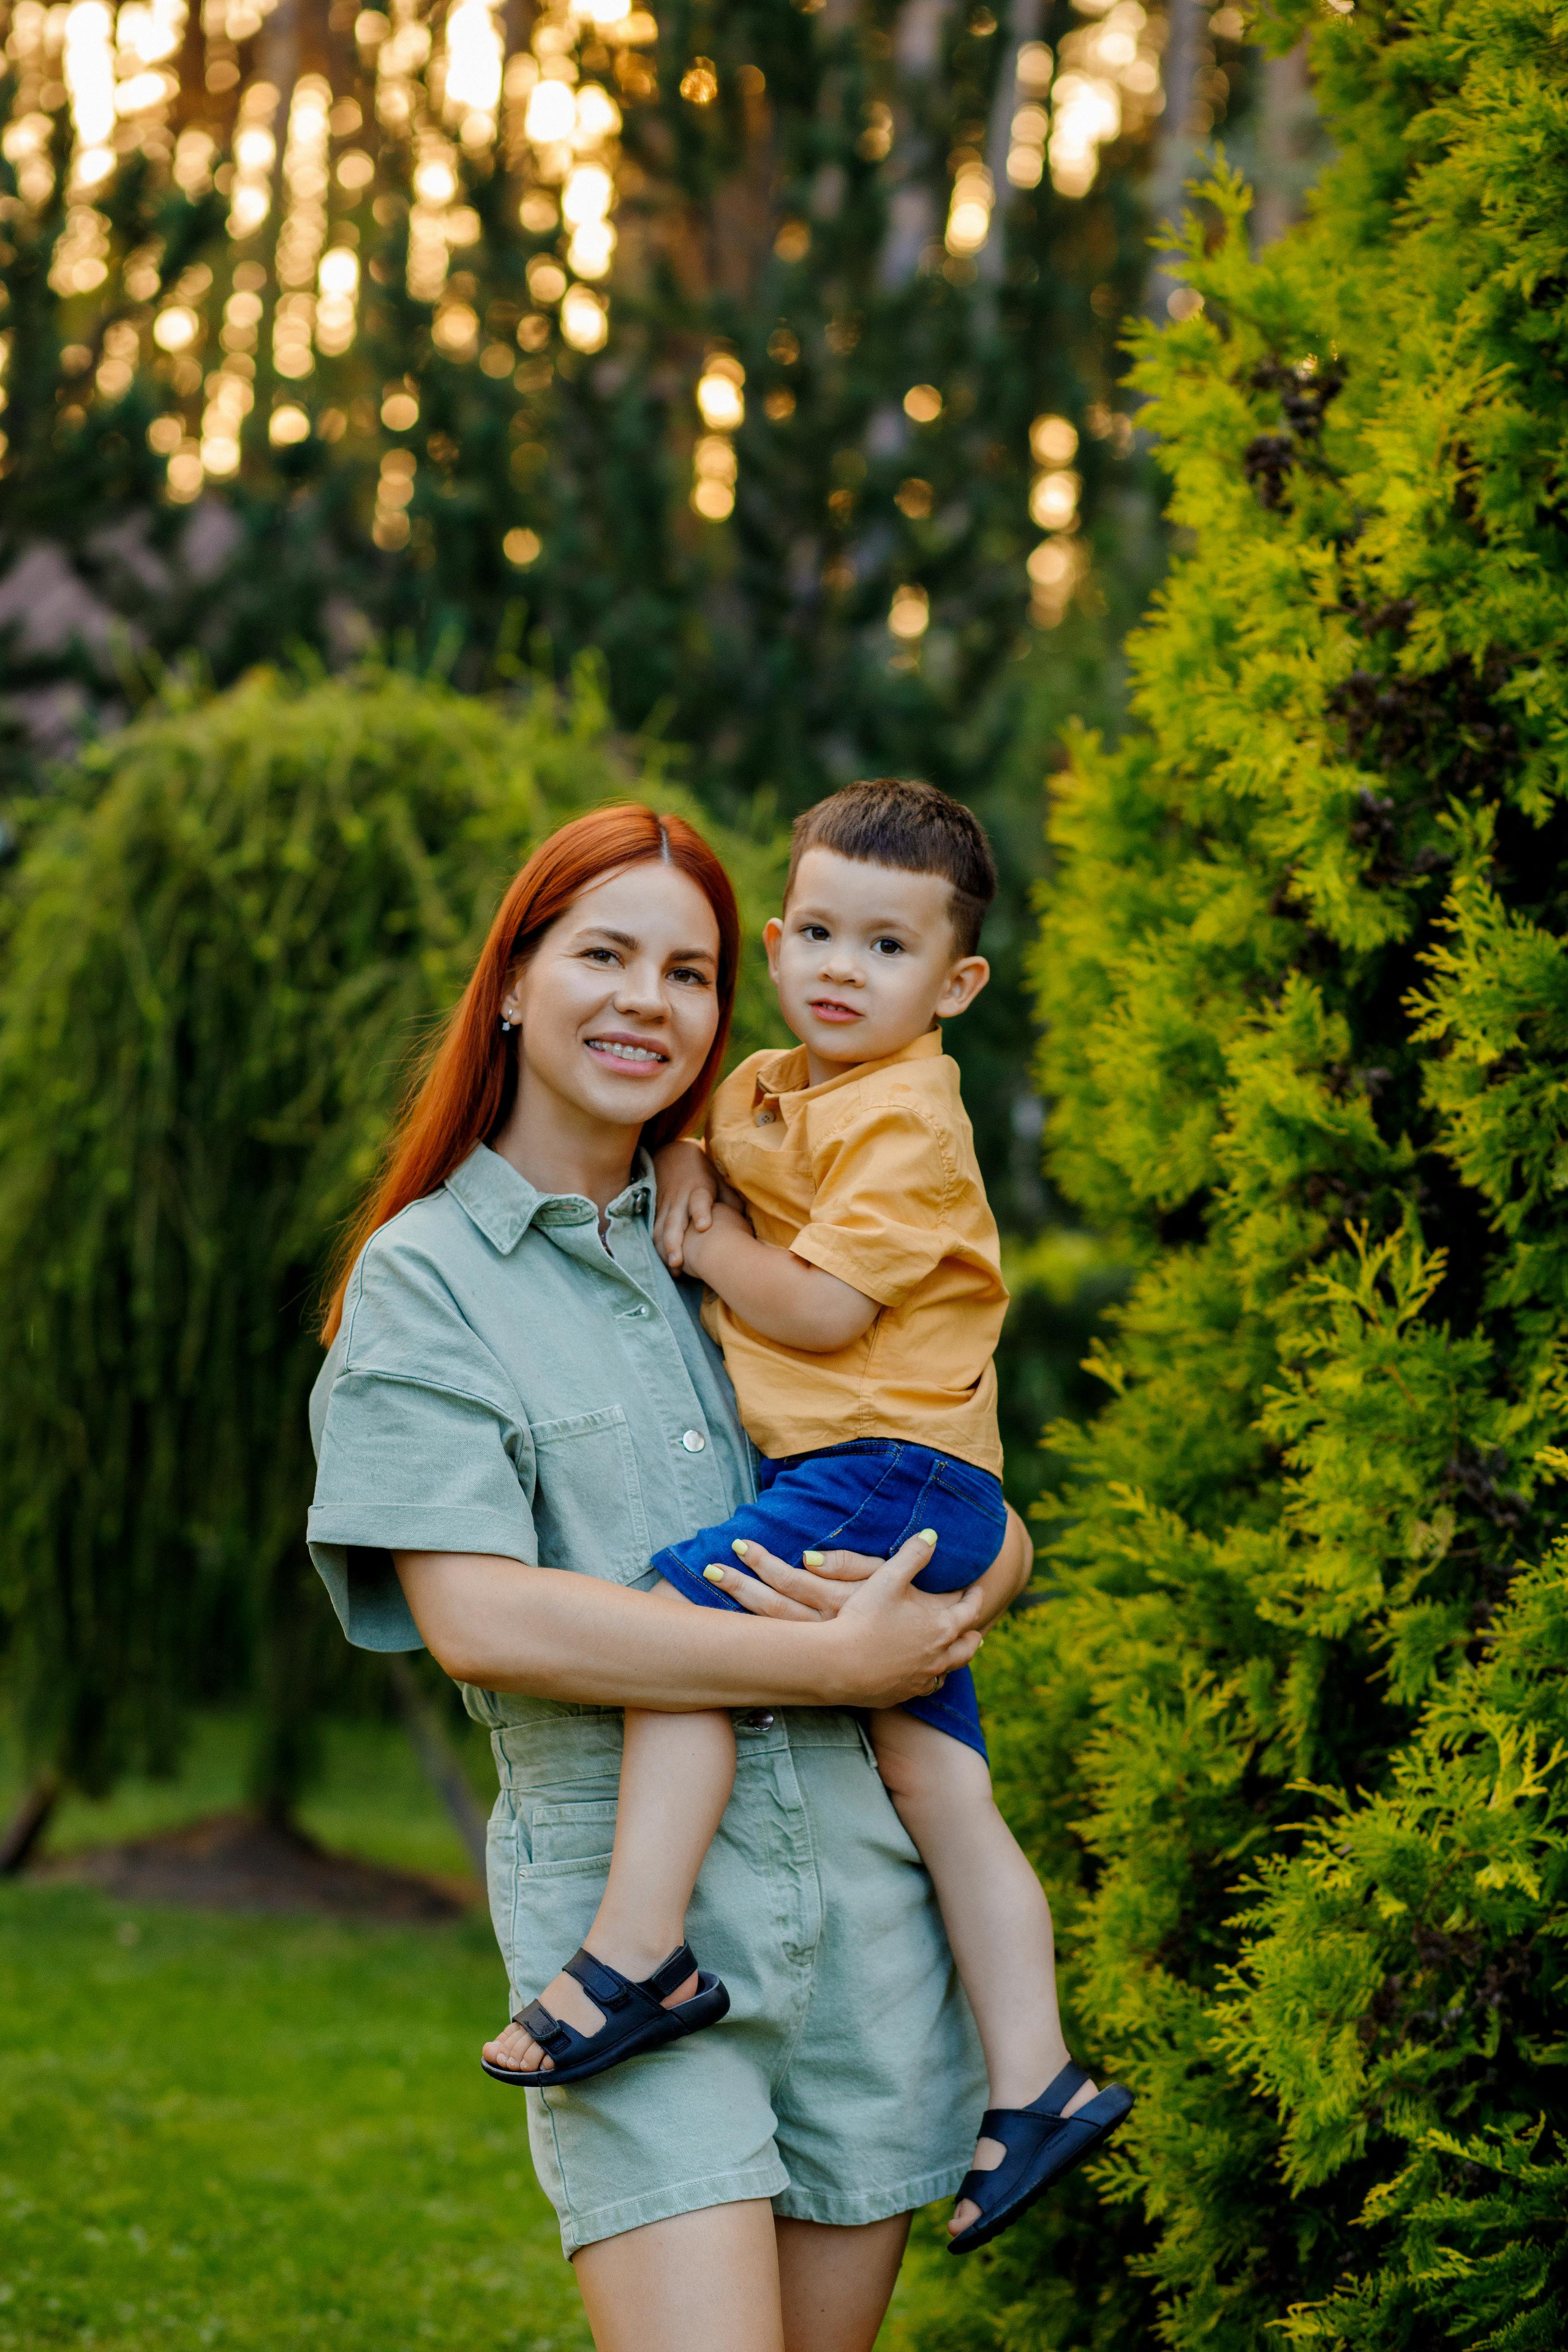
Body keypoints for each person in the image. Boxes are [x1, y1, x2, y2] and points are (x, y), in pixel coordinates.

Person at [306, 802, 1029, 2352]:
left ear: (726, 1004)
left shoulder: (760, 1224)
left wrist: (996, 1564)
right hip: (639, 1956)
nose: (647, 1000)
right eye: (604, 955)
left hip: (859, 1917)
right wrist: (830, 1664)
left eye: (687, 972)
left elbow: (929, 1448)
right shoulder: (428, 1281)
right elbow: (478, 1619)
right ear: (512, 979)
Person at [480, 781, 1131, 2253]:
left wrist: (702, 1240)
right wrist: (699, 1163)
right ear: (779, 940)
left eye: (886, 949)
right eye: (820, 933)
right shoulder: (781, 1081)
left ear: (953, 984)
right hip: (911, 1481)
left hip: (882, 1466)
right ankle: (1035, 2079)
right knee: (944, 1792)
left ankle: (638, 1952)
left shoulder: (907, 1115)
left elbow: (827, 1310)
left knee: (679, 1631)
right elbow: (704, 1139)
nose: (844, 968)